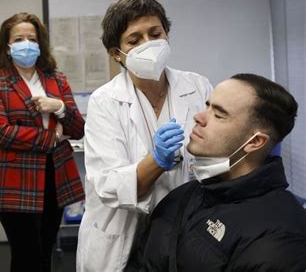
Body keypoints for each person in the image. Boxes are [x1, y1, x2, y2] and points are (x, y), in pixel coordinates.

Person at [76, 0, 213, 271]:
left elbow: (218, 154)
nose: (149, 45)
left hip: (188, 228)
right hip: (125, 237)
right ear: (117, 53)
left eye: (155, 34)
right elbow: (108, 186)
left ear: (167, 34)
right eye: (134, 40)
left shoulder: (198, 87)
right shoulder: (105, 101)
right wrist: (156, 161)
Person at [127, 73, 306, 271]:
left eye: (219, 114)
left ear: (255, 142)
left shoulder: (281, 236)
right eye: (207, 106)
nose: (199, 117)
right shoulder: (184, 194)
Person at [0, 12, 85, 272]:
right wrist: (51, 137)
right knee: (25, 255)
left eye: (32, 38)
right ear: (7, 45)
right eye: (19, 38)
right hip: (14, 180)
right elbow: (0, 132)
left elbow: (79, 128)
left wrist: (59, 106)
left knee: (45, 253)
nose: (26, 43)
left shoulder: (56, 79)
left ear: (40, 44)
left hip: (54, 176)